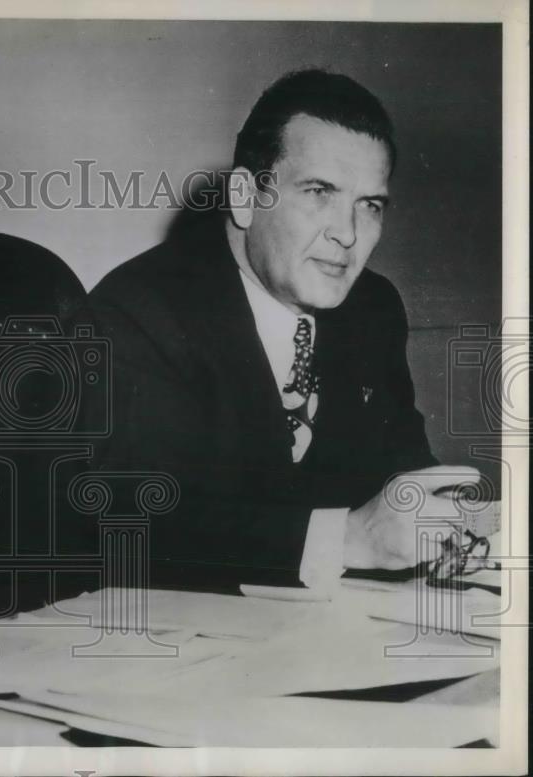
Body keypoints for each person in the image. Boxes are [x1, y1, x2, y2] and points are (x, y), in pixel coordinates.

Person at [89, 69, 490, 592]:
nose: (347, 234)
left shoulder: (373, 306)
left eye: (369, 205)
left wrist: (443, 522)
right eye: (319, 191)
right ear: (244, 196)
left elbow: (399, 461)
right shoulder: (140, 311)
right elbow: (135, 525)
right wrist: (347, 538)